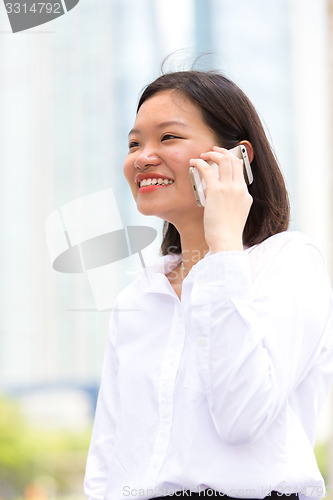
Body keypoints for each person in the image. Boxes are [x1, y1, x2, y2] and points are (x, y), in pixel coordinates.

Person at [84, 70, 333, 500]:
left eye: (168, 138)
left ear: (237, 157)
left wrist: (223, 246)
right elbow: (108, 454)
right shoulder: (139, 295)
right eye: (134, 143)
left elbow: (242, 416)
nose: (143, 157)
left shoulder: (289, 263)